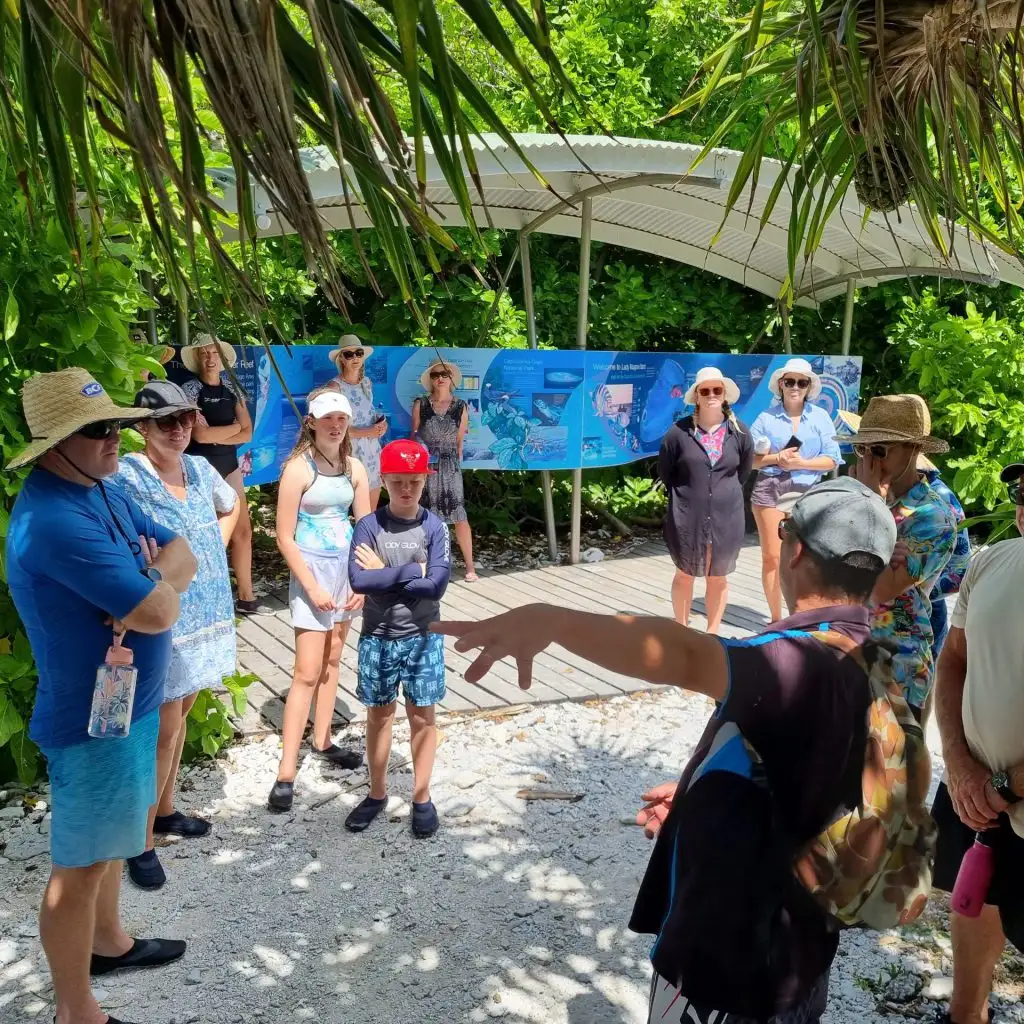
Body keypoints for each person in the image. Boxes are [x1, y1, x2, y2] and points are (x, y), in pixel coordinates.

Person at [436, 476, 896, 1023]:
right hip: (798, 949)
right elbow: (816, 767)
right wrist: (707, 790)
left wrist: (551, 620)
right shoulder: (875, 657)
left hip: (729, 958)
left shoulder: (792, 660)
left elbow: (681, 653)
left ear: (792, 549)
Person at [5, 368, 198, 1024]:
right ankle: (75, 1009)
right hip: (90, 724)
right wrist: (153, 588)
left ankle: (109, 944)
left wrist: (149, 578)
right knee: (80, 865)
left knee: (116, 835)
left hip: (129, 705)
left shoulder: (99, 486)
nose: (114, 436)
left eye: (115, 422)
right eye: (94, 429)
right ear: (55, 445)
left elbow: (184, 554)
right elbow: (158, 611)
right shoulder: (54, 519)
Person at [114, 380, 240, 889]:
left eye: (185, 419)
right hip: (165, 613)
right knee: (161, 727)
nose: (179, 429)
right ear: (142, 428)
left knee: (182, 710)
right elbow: (113, 537)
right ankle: (138, 841)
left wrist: (212, 545)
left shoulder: (201, 468)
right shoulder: (127, 477)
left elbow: (230, 506)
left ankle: (163, 811)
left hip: (207, 608)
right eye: (165, 421)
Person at [931, 461, 1024, 1024]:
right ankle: (966, 1016)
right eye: (1023, 487)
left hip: (991, 790)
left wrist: (997, 783)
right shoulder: (990, 560)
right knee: (975, 899)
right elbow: (954, 660)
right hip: (975, 793)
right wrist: (960, 765)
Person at [267, 388, 370, 811]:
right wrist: (310, 586)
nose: (335, 424)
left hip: (345, 568)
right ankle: (286, 770)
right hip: (311, 571)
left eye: (341, 417)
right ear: (311, 421)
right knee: (306, 669)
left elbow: (364, 526)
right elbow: (284, 535)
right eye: (327, 418)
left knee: (333, 659)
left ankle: (323, 738)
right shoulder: (298, 468)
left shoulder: (355, 467)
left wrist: (363, 579)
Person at [346, 439, 452, 838]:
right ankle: (376, 793)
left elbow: (437, 586)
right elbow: (359, 580)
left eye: (414, 481)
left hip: (424, 636)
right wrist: (414, 571)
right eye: (398, 482)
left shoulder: (434, 526)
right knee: (380, 714)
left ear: (425, 480)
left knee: (423, 717)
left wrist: (385, 574)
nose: (406, 489)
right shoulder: (369, 525)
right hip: (378, 636)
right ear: (384, 480)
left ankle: (421, 797)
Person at [842, 394, 957, 719]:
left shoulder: (932, 515)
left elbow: (881, 588)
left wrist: (867, 509)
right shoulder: (862, 498)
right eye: (862, 449)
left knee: (892, 769)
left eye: (879, 450)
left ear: (913, 450)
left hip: (897, 669)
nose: (869, 462)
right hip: (845, 653)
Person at [658, 366, 753, 632]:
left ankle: (712, 633)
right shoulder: (678, 433)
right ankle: (681, 629)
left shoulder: (740, 433)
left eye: (717, 390)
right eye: (705, 390)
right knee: (685, 573)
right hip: (688, 516)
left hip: (727, 516)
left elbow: (742, 473)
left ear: (724, 395)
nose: (711, 394)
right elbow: (666, 472)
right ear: (697, 396)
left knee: (718, 576)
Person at [750, 357, 842, 621]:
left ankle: (801, 615)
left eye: (801, 382)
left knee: (808, 557)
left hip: (809, 490)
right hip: (771, 487)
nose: (795, 387)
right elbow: (751, 460)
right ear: (780, 384)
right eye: (790, 381)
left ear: (809, 386)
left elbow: (833, 458)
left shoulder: (821, 416)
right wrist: (776, 459)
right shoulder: (765, 417)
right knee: (772, 557)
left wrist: (802, 462)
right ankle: (777, 621)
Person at [180, 333, 258, 615]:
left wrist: (218, 436)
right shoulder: (189, 390)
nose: (210, 358)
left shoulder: (232, 388)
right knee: (209, 535)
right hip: (200, 470)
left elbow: (248, 432)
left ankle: (247, 597)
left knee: (243, 531)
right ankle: (209, 597)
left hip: (230, 466)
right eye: (204, 353)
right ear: (198, 358)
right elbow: (199, 435)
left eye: (215, 353)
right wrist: (232, 430)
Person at [412, 358, 478, 582]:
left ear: (451, 378)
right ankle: (428, 564)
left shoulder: (461, 406)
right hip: (426, 465)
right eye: (435, 374)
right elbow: (415, 436)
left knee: (459, 515)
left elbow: (460, 441)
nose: (439, 378)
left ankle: (470, 567)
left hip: (450, 465)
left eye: (444, 374)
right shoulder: (420, 404)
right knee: (425, 515)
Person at [326, 334, 386, 510]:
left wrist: (381, 425)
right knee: (345, 509)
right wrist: (368, 432)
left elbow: (370, 413)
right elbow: (333, 428)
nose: (355, 358)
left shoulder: (366, 383)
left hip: (372, 451)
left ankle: (368, 537)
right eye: (349, 354)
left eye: (358, 353)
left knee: (371, 509)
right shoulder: (334, 387)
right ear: (341, 359)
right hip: (349, 452)